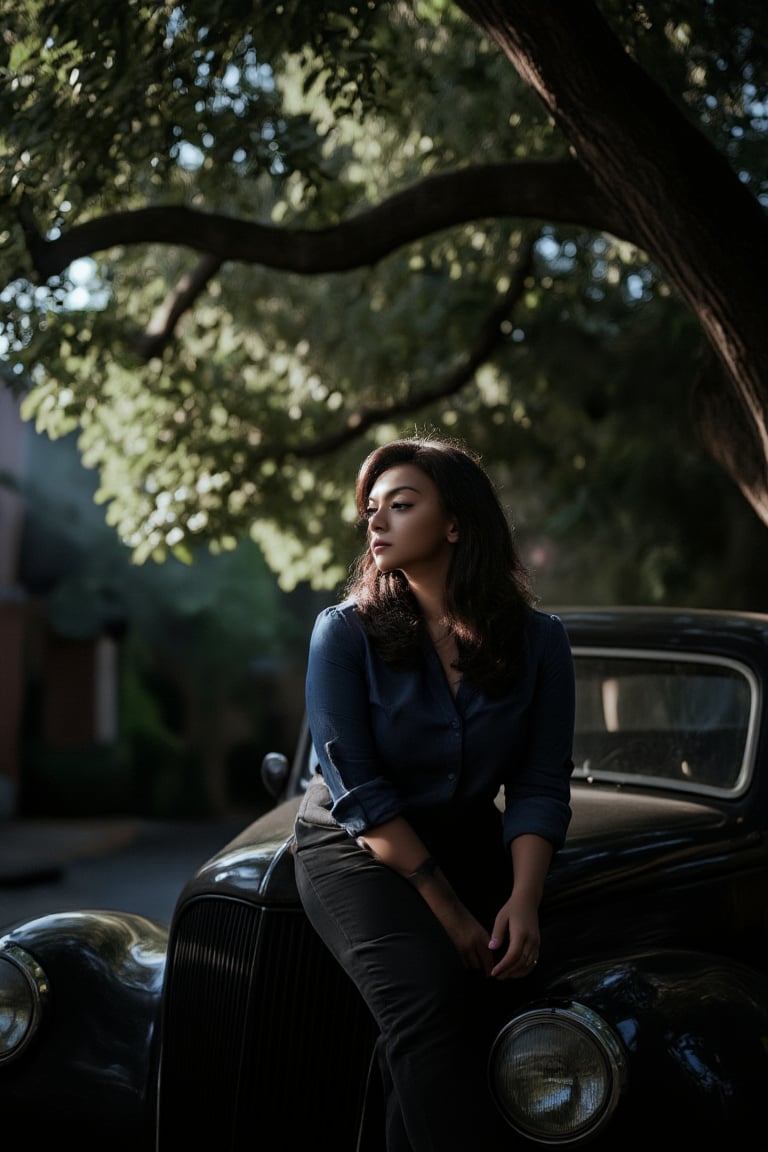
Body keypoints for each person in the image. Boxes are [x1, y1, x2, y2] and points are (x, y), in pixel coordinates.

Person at [292, 434, 575, 1152]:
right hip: (357, 845)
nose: (377, 522)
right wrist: (448, 909)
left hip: (465, 835)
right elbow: (359, 793)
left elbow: (540, 783)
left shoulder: (541, 644)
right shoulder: (343, 634)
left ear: (455, 523)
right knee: (426, 1001)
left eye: (401, 505)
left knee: (499, 1005)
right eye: (372, 509)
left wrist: (524, 899)